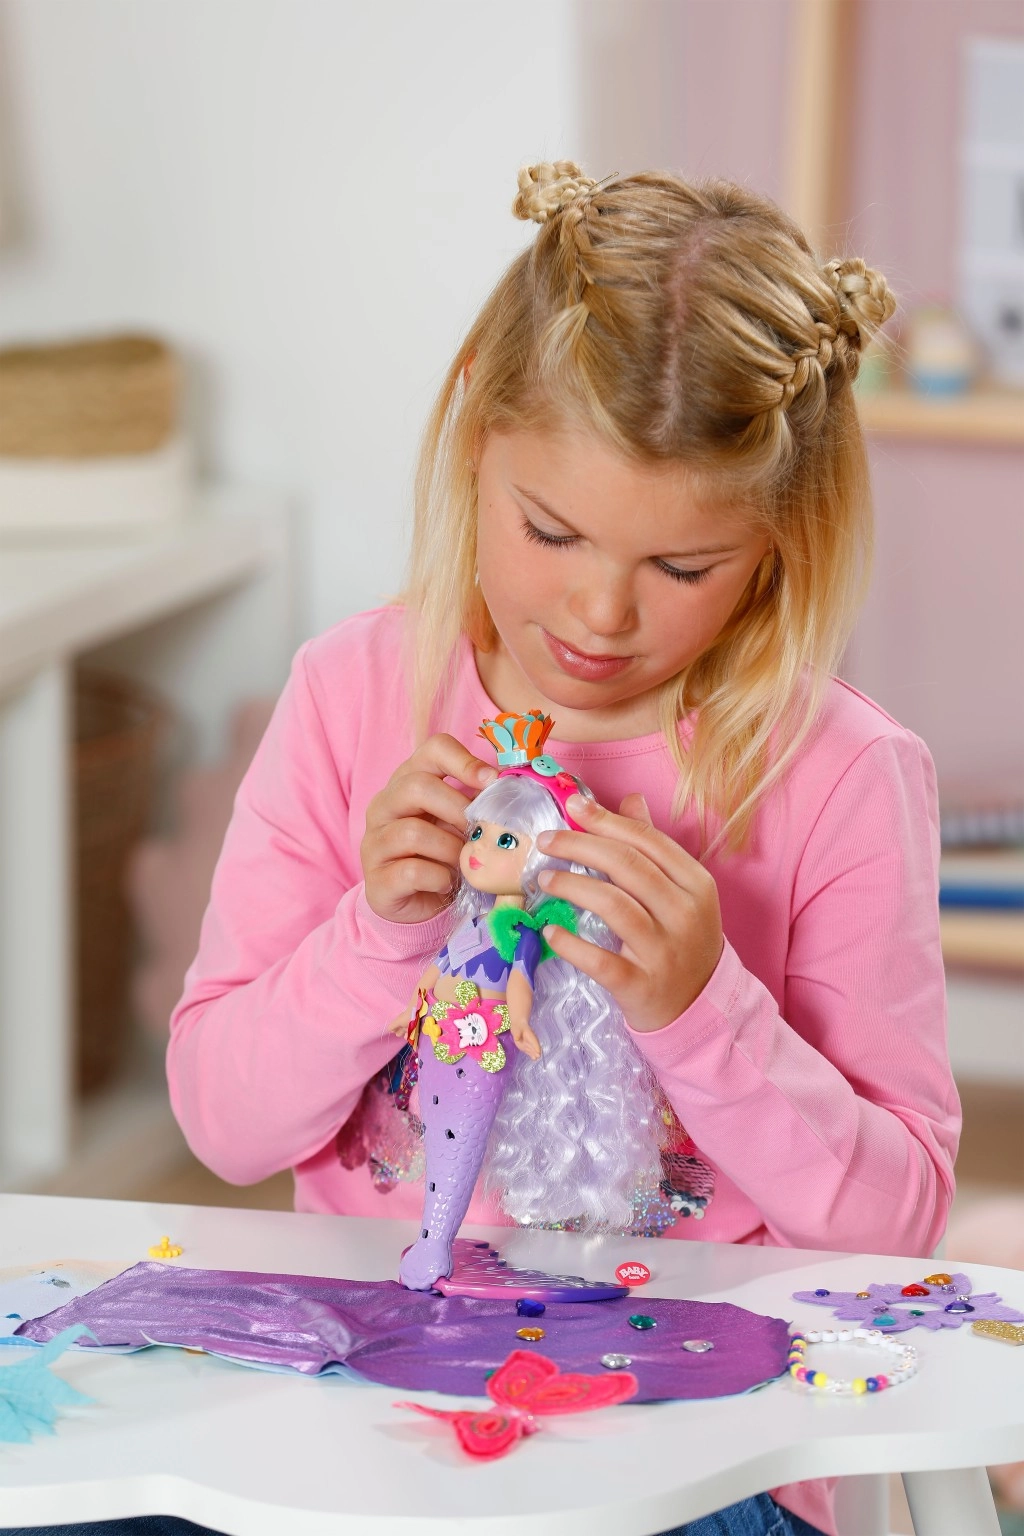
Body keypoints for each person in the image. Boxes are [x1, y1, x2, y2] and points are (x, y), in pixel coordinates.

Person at [15, 161, 959, 1536]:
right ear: (474, 437)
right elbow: (225, 1125)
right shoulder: (354, 694)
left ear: (778, 544)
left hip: (685, 1439)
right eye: (551, 530)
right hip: (356, 1399)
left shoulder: (843, 776)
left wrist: (705, 1009)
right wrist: (377, 936)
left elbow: (898, 1222)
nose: (600, 612)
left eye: (682, 568)